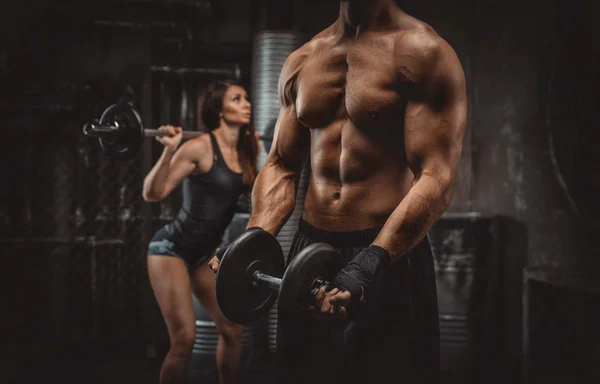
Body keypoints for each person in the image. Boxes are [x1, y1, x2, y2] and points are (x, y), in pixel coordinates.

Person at [210, 0, 467, 383]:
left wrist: (366, 266)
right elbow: (281, 164)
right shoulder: (304, 58)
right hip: (310, 252)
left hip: (386, 257)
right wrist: (254, 239)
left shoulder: (422, 52)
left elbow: (436, 175)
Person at [142, 79, 260, 384]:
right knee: (184, 339)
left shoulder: (245, 152)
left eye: (246, 98)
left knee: (233, 329)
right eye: (237, 99)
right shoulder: (198, 147)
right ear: (219, 110)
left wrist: (259, 148)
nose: (246, 103)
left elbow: (260, 192)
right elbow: (153, 193)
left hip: (203, 255)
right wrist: (169, 152)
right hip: (171, 249)